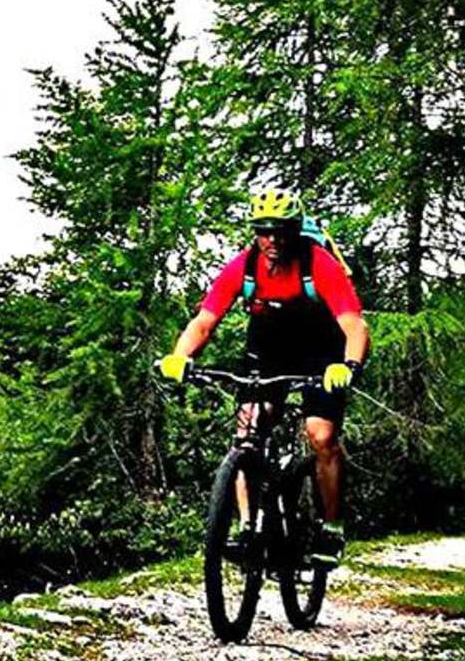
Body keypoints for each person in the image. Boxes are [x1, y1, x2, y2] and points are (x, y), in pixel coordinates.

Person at [157, 188, 368, 564]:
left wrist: (347, 366)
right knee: (249, 431)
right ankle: (248, 527)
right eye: (263, 230)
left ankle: (331, 528)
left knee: (320, 435)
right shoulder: (244, 265)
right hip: (269, 347)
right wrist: (179, 357)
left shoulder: (318, 264)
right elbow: (205, 321)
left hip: (322, 349)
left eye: (281, 230)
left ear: (295, 229)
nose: (272, 239)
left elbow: (353, 325)